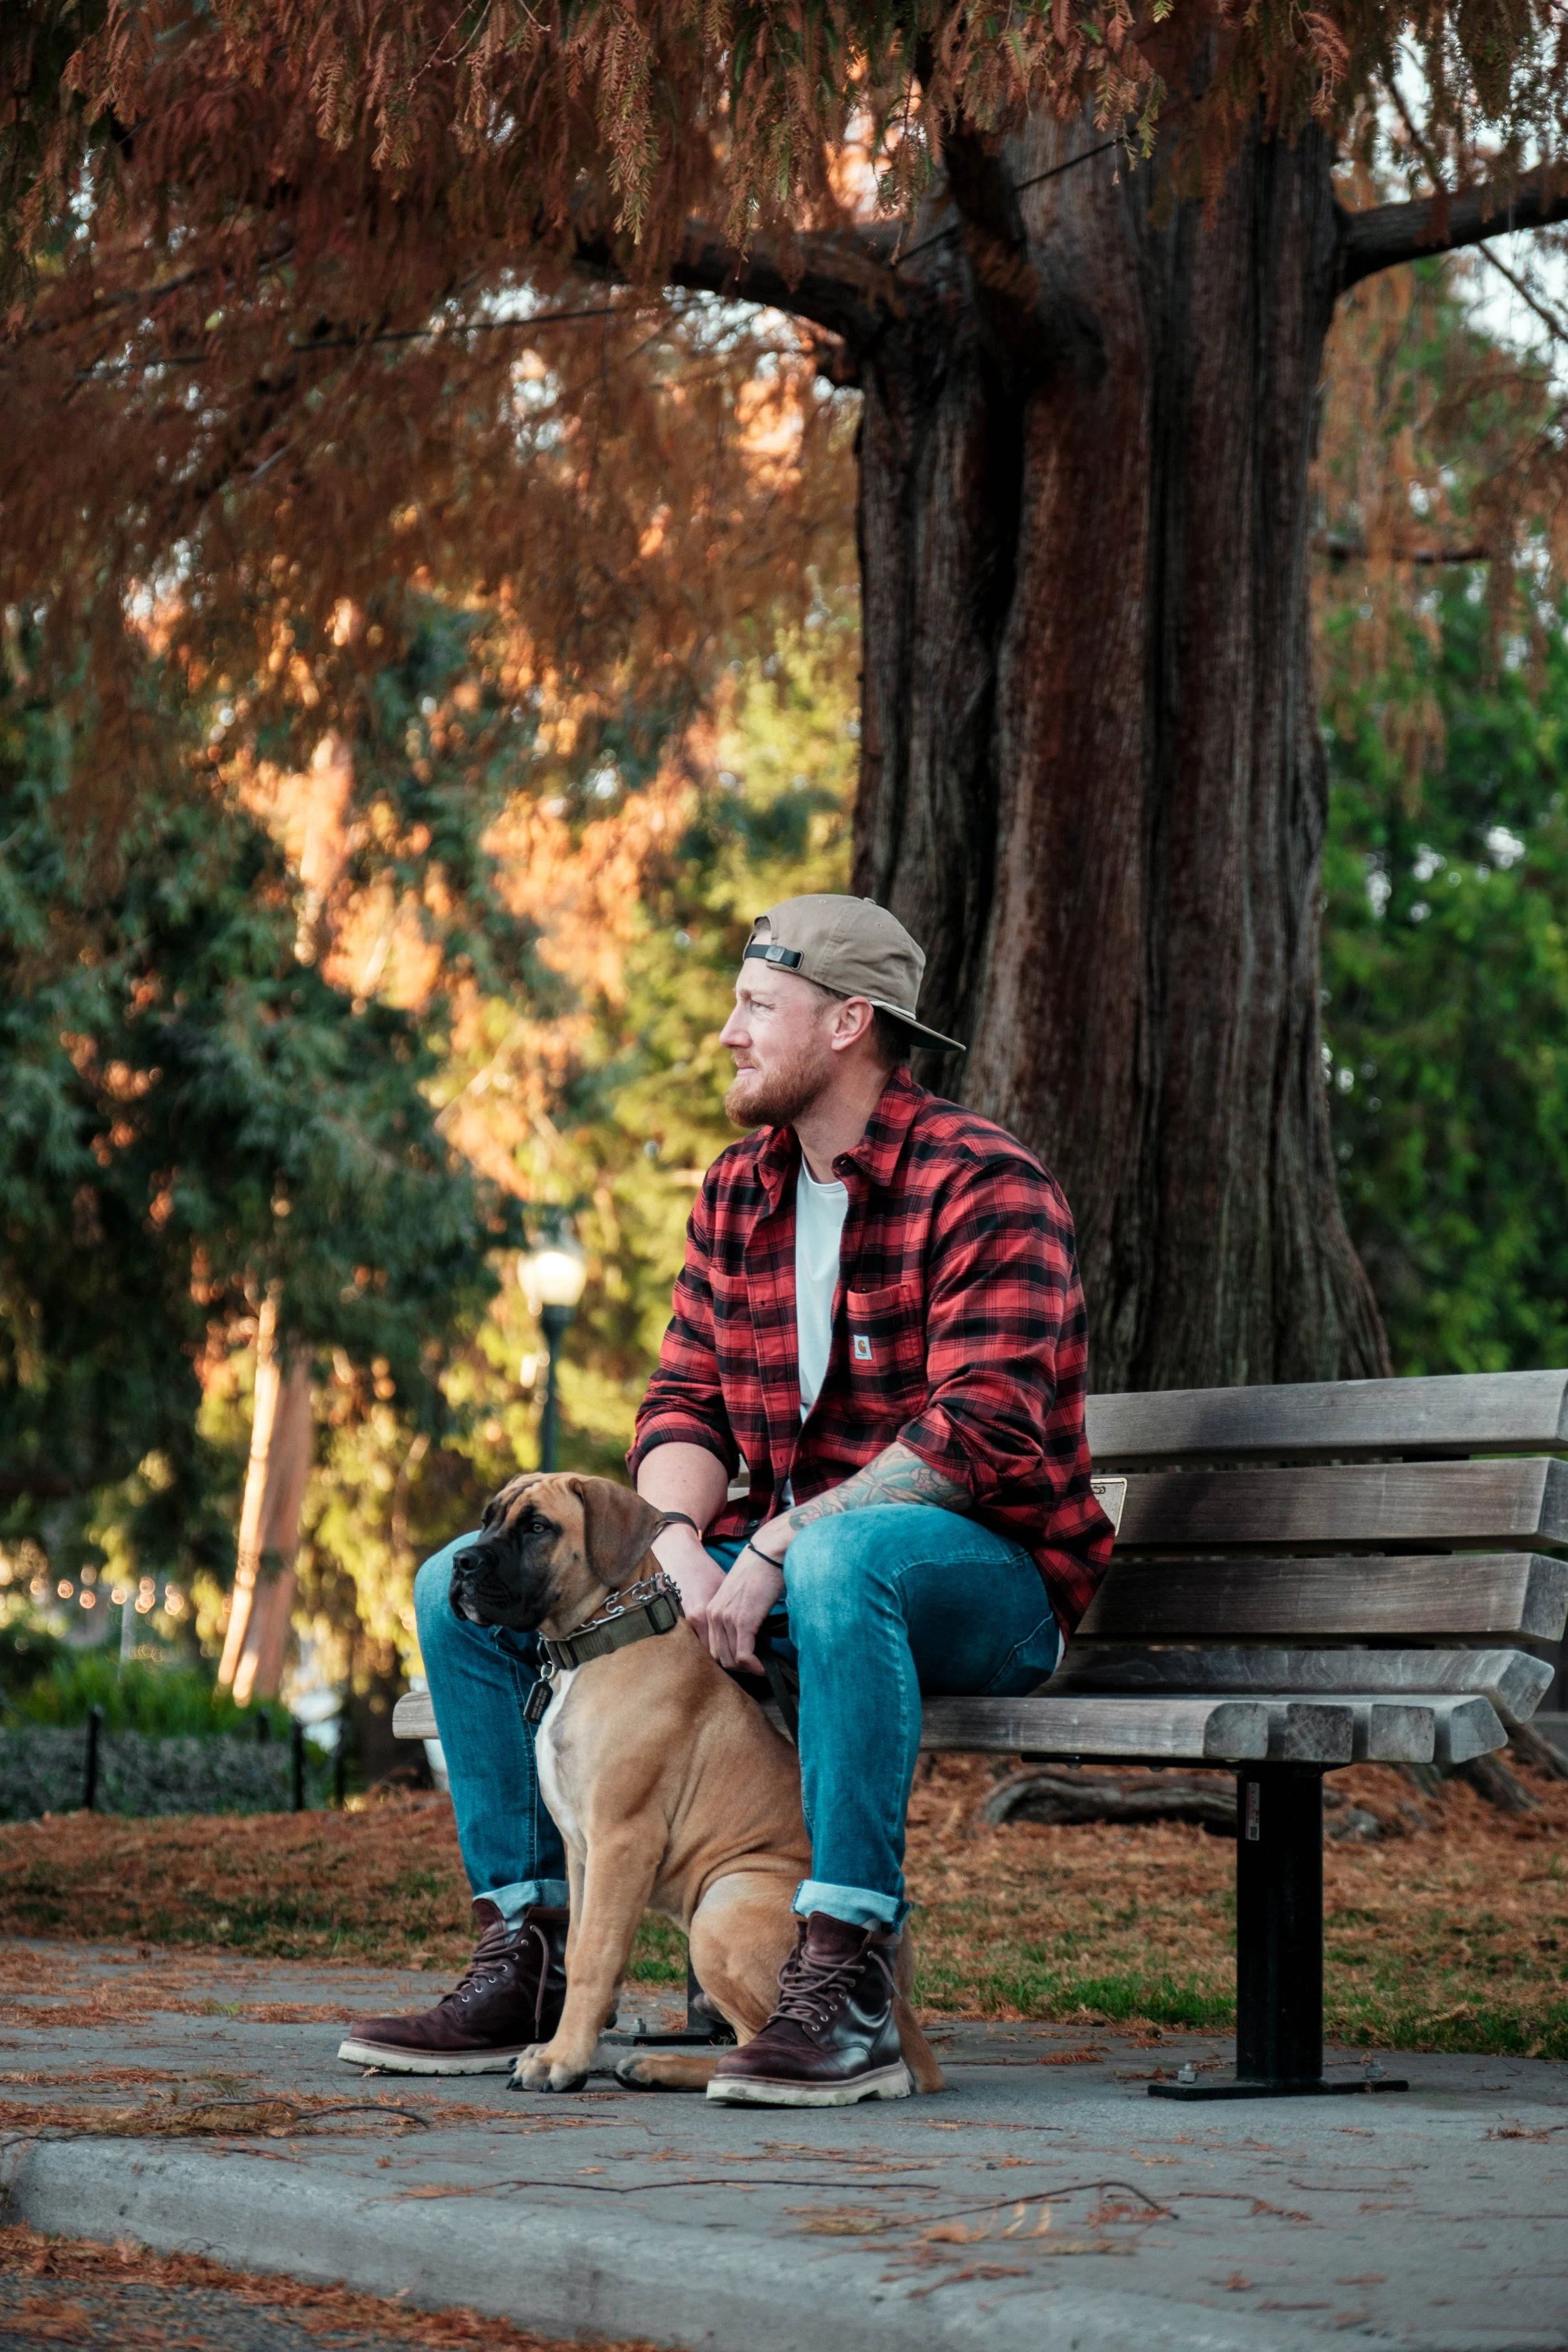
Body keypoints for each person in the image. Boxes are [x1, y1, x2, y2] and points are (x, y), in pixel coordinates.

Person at [342, 894, 1113, 2100]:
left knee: (835, 1563)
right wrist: (685, 1542)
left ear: (851, 1020)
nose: (727, 1032)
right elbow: (683, 1404)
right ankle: (530, 1952)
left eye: (757, 1005)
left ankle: (845, 1970)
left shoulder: (983, 1182)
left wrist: (784, 1538)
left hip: (989, 1581)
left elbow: (986, 1426)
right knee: (458, 1584)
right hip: (796, 1568)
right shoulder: (740, 1192)